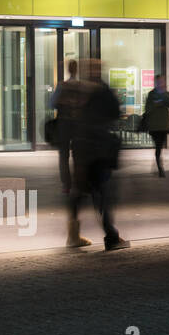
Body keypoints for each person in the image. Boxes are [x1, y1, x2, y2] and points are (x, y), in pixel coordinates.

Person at [67, 59, 128, 251]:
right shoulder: (102, 91)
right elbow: (116, 112)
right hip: (98, 150)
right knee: (102, 193)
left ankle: (74, 234)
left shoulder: (79, 90)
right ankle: (111, 236)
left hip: (82, 148)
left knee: (81, 192)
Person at [50, 59, 82, 195]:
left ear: (68, 70)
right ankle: (79, 182)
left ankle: (66, 185)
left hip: (64, 124)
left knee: (63, 156)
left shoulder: (62, 86)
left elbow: (51, 103)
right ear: (77, 70)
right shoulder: (82, 87)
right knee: (78, 155)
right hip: (79, 125)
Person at [141, 74, 169, 177]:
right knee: (158, 146)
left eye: (162, 81)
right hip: (154, 126)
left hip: (164, 126)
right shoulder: (151, 94)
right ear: (156, 83)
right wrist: (156, 104)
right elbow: (147, 109)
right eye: (159, 82)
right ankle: (160, 167)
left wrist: (165, 98)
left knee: (159, 146)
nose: (161, 83)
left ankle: (158, 163)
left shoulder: (167, 93)